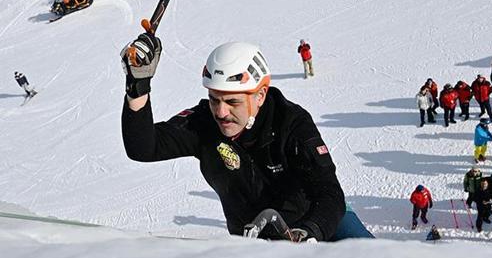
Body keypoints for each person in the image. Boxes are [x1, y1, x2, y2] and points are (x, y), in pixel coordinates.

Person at [121, 37, 373, 242]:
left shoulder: (291, 122)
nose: (220, 112)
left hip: (320, 219)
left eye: (233, 102)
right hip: (258, 240)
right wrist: (138, 86)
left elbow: (329, 192)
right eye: (214, 99)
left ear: (260, 95)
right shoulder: (204, 123)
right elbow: (143, 147)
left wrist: (309, 232)